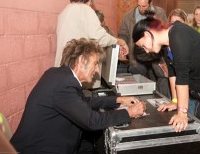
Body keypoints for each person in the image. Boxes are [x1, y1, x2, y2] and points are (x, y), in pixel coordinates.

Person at [10, 38, 146, 154]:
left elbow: (83, 102)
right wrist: (129, 113)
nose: (97, 70)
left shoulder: (58, 74)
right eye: (95, 63)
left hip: (54, 142)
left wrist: (118, 100)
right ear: (81, 61)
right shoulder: (65, 83)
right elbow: (92, 121)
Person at [132, 15, 200, 154]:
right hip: (195, 95)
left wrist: (182, 112)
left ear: (147, 34)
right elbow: (172, 73)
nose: (146, 50)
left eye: (143, 46)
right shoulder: (167, 44)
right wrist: (175, 101)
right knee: (193, 144)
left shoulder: (178, 34)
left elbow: (182, 77)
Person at [54, 0, 128, 67]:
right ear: (90, 0)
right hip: (77, 67)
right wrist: (119, 41)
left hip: (63, 65)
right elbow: (100, 38)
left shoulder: (64, 12)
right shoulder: (85, 9)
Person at [118, 0, 170, 98]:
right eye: (139, 5)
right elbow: (123, 34)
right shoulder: (128, 16)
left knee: (162, 78)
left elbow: (166, 32)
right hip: (137, 56)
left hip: (156, 55)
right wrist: (123, 45)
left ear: (150, 3)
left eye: (144, 6)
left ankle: (162, 101)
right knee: (137, 81)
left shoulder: (160, 13)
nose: (141, 9)